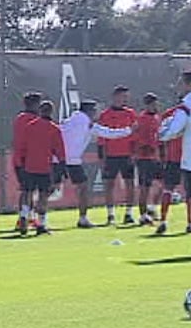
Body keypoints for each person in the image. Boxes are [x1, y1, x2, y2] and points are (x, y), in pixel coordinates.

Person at [56, 100, 133, 228]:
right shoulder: (88, 122)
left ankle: (31, 216)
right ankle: (83, 219)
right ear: (90, 111)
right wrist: (129, 130)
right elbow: (109, 133)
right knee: (83, 188)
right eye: (96, 110)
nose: (98, 113)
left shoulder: (68, 120)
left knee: (47, 189)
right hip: (72, 160)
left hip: (58, 159)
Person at [159, 70, 191, 240]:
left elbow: (170, 132)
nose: (178, 87)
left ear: (190, 85)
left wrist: (163, 129)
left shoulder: (186, 106)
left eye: (181, 83)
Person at [18, 100, 66, 235]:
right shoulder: (54, 129)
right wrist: (62, 167)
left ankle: (24, 215)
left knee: (27, 193)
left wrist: (22, 163)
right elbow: (60, 151)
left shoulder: (30, 126)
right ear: (51, 112)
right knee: (43, 196)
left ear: (40, 111)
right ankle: (41, 224)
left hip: (29, 166)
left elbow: (22, 147)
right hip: (44, 167)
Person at [97, 85, 139, 225]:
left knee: (129, 184)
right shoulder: (105, 115)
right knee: (109, 185)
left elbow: (135, 136)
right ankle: (110, 215)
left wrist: (134, 153)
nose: (125, 99)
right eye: (123, 96)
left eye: (127, 97)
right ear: (115, 97)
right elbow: (101, 138)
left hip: (126, 155)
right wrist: (102, 158)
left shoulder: (131, 114)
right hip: (111, 155)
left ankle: (129, 213)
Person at [157, 100, 191, 235]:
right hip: (189, 157)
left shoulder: (169, 113)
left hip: (173, 157)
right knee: (190, 192)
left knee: (168, 189)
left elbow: (161, 135)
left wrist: (162, 155)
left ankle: (163, 221)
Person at [12, 92, 42, 232]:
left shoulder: (19, 118)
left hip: (19, 159)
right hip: (30, 160)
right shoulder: (35, 120)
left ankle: (26, 217)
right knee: (29, 191)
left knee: (27, 190)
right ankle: (25, 218)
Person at [134, 93, 163, 226]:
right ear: (147, 105)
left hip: (156, 157)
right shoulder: (141, 119)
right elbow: (137, 137)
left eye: (156, 103)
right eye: (152, 104)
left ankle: (152, 208)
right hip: (144, 158)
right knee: (145, 187)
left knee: (164, 184)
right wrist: (144, 147)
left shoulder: (157, 118)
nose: (155, 106)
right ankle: (143, 215)